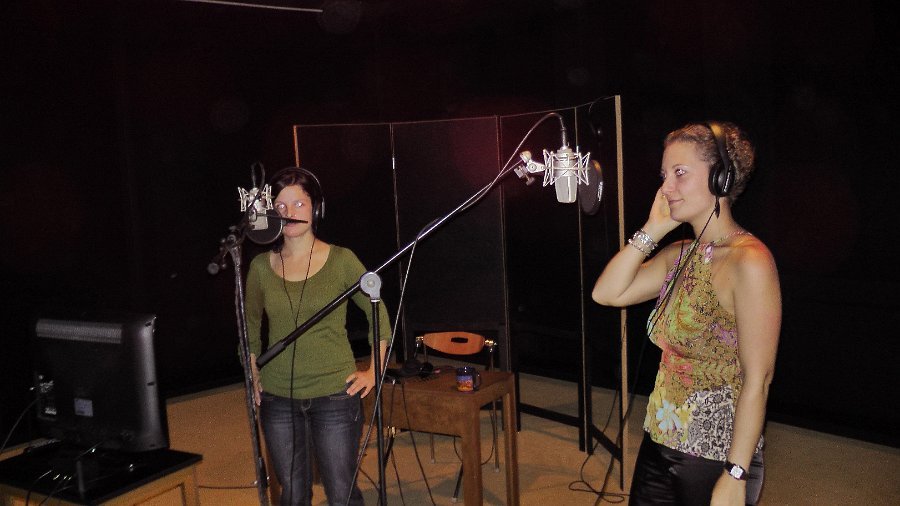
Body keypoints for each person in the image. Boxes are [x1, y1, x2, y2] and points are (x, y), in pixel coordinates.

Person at [591, 122, 781, 505]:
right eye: (664, 175)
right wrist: (651, 229)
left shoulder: (750, 262)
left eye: (680, 172)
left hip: (717, 455)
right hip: (660, 440)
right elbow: (606, 293)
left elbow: (758, 379)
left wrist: (736, 473)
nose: (666, 187)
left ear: (721, 179)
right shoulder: (678, 255)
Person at [245, 166, 390, 506]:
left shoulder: (342, 260)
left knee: (341, 493)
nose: (290, 213)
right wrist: (252, 371)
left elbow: (378, 314)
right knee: (292, 493)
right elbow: (249, 325)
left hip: (334, 396)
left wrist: (374, 371)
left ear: (316, 208)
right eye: (281, 206)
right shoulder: (260, 267)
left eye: (299, 204)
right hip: (278, 397)